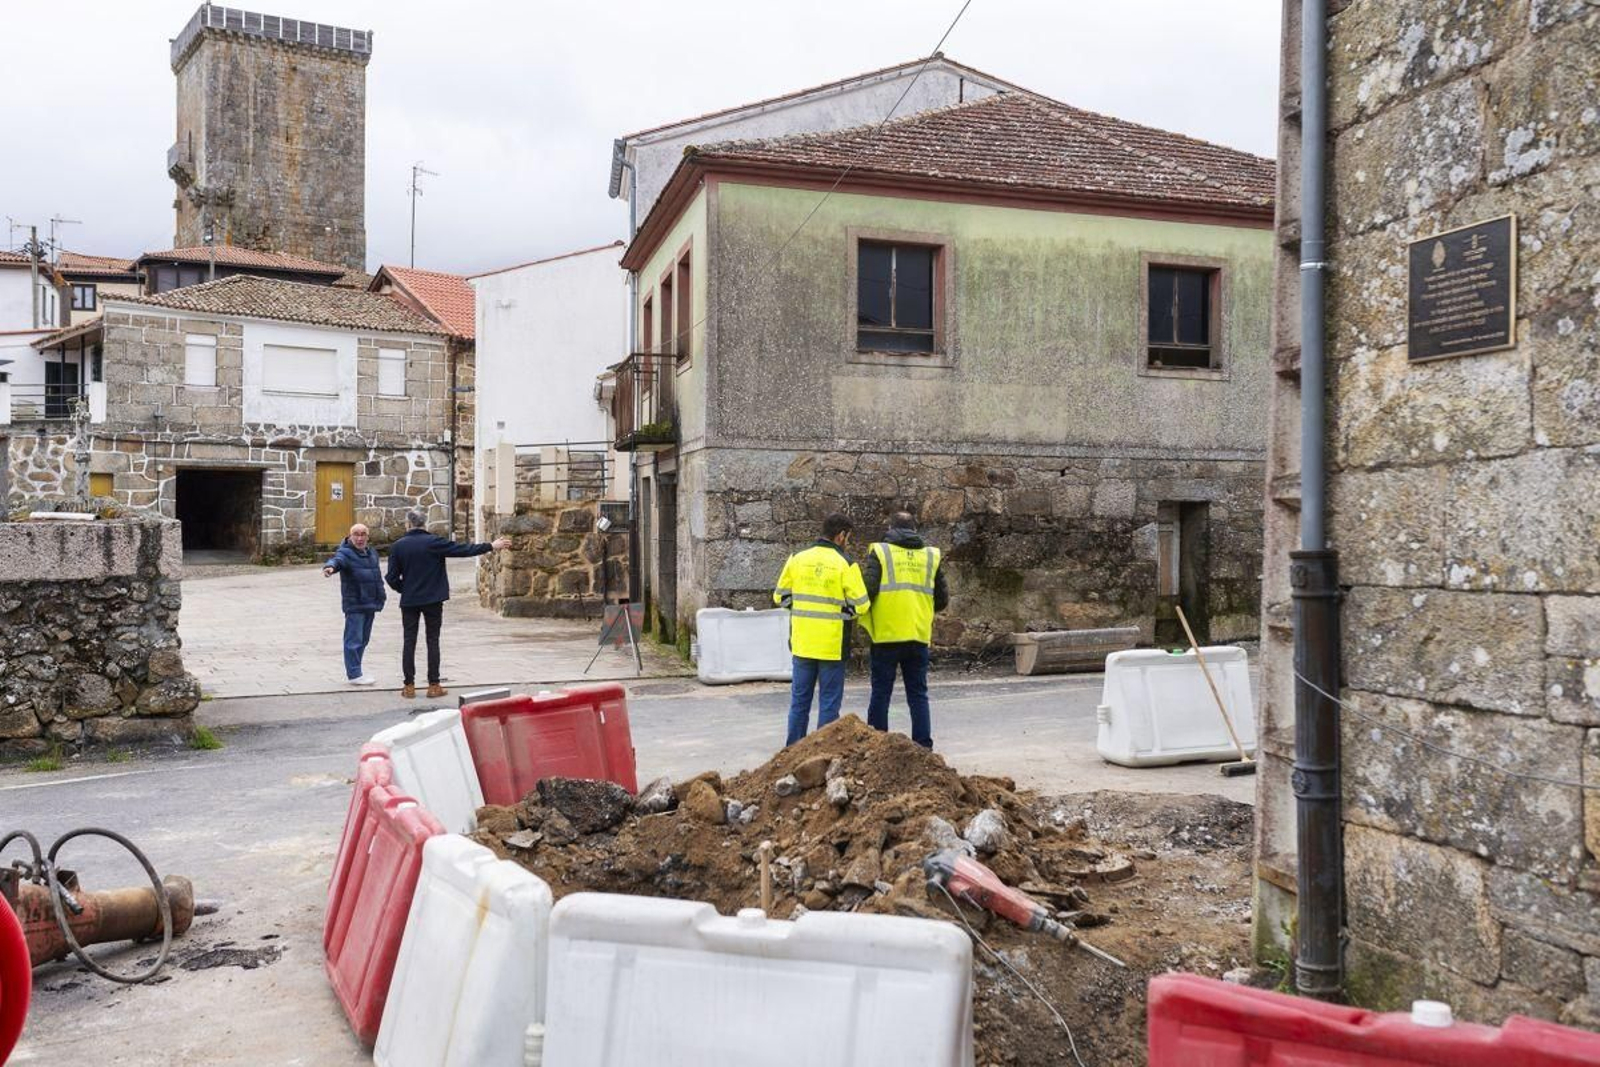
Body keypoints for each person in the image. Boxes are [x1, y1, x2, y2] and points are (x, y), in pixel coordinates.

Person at [384, 509, 511, 698]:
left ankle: (408, 686)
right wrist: (491, 545)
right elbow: (463, 550)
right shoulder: (434, 542)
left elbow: (391, 577)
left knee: (409, 641)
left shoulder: (398, 546)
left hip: (410, 600)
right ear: (424, 523)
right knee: (432, 640)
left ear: (408, 524)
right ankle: (433, 685)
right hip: (433, 599)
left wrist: (405, 589)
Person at [773, 513, 870, 746]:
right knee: (828, 703)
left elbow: (780, 597)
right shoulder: (846, 564)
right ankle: (821, 752)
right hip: (832, 645)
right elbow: (862, 605)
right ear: (841, 536)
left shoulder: (797, 558)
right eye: (848, 537)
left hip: (803, 642)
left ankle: (792, 751)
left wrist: (801, 608)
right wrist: (842, 613)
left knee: (799, 702)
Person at [860, 510, 949, 749]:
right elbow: (941, 600)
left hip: (886, 635)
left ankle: (876, 745)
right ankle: (923, 746)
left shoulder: (881, 552)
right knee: (918, 694)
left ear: (891, 528)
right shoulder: (930, 556)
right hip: (917, 635)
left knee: (881, 693)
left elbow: (867, 591)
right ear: (915, 529)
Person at [322, 523, 386, 686]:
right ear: (350, 536)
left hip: (370, 602)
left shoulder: (372, 553)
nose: (359, 538)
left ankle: (357, 670)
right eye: (356, 534)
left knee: (363, 639)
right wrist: (330, 567)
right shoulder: (346, 552)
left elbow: (376, 576)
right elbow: (337, 560)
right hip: (355, 603)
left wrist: (380, 596)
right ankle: (354, 674)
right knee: (353, 639)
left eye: (363, 534)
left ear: (368, 536)